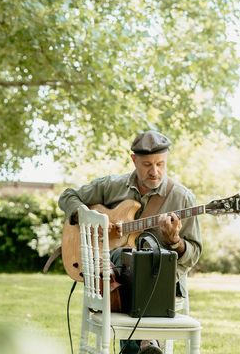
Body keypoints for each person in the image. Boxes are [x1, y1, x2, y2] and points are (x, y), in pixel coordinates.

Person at [58, 130, 202, 354]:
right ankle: (147, 343)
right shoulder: (111, 186)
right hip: (112, 277)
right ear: (134, 160)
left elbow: (193, 253)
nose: (154, 172)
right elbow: (67, 196)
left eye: (160, 164)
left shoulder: (182, 198)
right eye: (147, 164)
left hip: (162, 281)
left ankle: (143, 345)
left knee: (140, 261)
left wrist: (175, 241)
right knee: (125, 256)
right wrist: (89, 219)